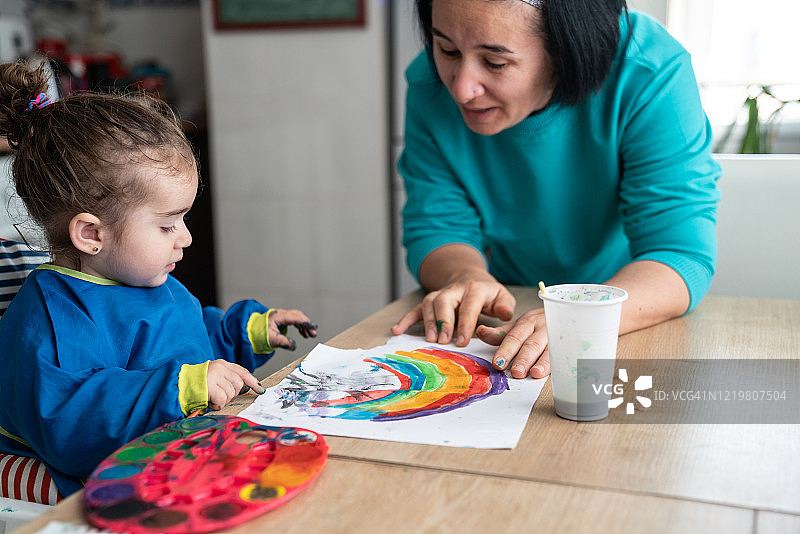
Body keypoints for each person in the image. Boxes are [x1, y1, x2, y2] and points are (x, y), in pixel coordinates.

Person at [0, 61, 318, 497]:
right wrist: (182, 387)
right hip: (68, 487)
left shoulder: (147, 278)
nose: (184, 237)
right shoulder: (53, 313)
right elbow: (71, 420)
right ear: (92, 234)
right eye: (168, 224)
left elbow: (184, 343)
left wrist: (243, 331)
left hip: (167, 458)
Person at [391, 0, 720, 379]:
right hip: (508, 309)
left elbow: (678, 253)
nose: (463, 89)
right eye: (447, 50)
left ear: (567, 48)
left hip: (630, 310)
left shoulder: (649, 70)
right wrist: (464, 275)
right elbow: (438, 226)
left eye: (495, 63)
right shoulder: (429, 84)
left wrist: (581, 315)